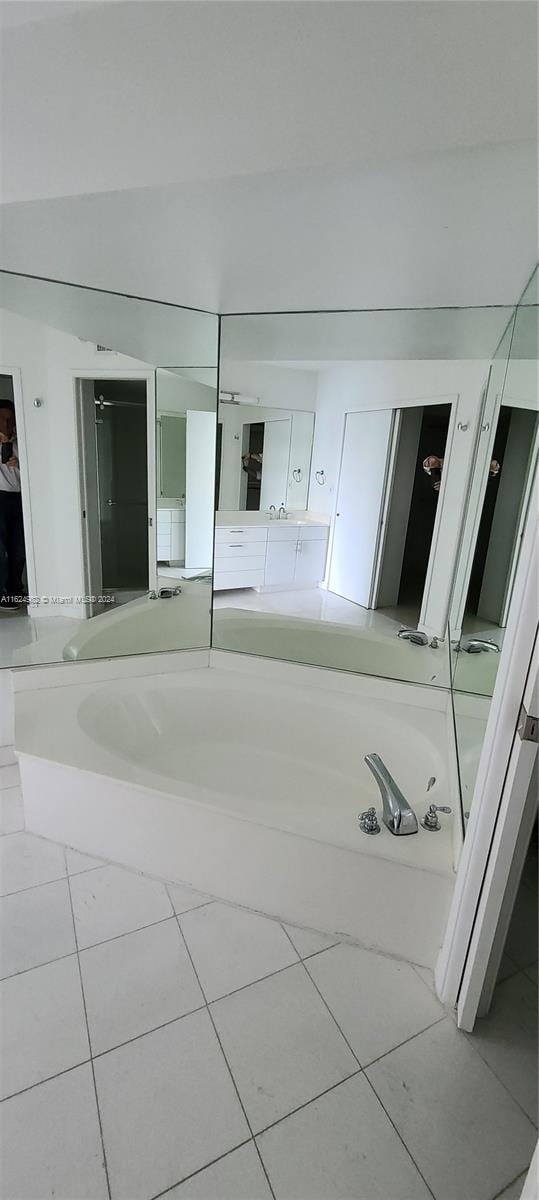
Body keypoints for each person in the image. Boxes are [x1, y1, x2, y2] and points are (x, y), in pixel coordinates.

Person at [0, 400, 26, 612]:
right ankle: (3, 594)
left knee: (20, 549)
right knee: (2, 551)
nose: (6, 423)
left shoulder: (23, 439)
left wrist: (21, 463)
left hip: (22, 498)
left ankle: (16, 589)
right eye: (2, 418)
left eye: (9, 419)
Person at [423, 454, 500, 492]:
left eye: (429, 461)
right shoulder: (440, 475)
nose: (430, 462)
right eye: (428, 464)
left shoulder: (448, 456)